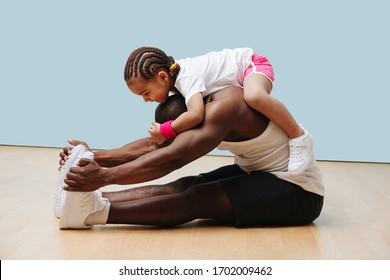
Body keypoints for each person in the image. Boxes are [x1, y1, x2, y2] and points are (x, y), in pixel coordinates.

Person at [56, 86, 324, 229]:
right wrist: (95, 156)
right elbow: (155, 145)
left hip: (298, 192)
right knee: (185, 184)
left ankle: (93, 214)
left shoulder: (224, 108)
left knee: (197, 198)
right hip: (259, 170)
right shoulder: (195, 107)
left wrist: (103, 177)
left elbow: (171, 157)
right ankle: (86, 202)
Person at [124, 46, 313, 175]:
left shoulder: (185, 79)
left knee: (254, 97)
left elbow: (196, 114)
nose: (146, 100)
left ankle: (298, 135)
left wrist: (166, 130)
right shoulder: (176, 79)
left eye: (146, 93)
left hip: (251, 64)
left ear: (163, 77)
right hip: (241, 73)